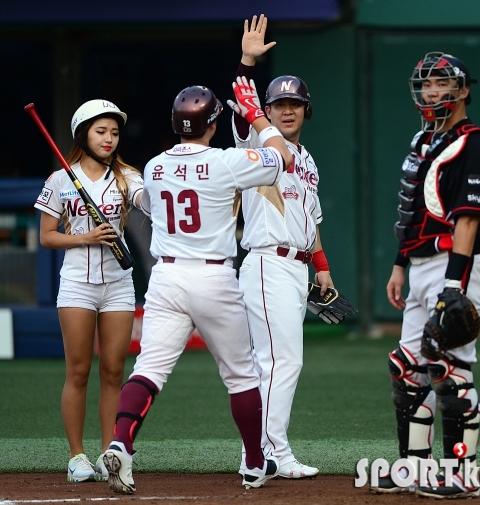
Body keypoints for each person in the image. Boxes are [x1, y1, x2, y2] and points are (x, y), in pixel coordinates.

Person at [102, 82, 294, 494]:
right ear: (211, 123)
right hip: (213, 277)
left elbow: (149, 202)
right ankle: (256, 464)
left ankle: (120, 443)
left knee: (149, 370)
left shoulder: (154, 165)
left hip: (166, 277)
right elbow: (284, 156)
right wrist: (256, 115)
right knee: (242, 375)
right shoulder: (227, 161)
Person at [370, 52, 480, 499]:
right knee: (407, 369)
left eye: (441, 83)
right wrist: (401, 264)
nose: (431, 92)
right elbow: (414, 213)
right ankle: (413, 470)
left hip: (454, 266)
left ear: (461, 90)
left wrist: (452, 286)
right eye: (426, 84)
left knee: (449, 372)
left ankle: (462, 475)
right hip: (421, 264)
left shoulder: (470, 143)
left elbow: (467, 222)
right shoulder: (424, 140)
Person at [232, 15, 337, 479]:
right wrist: (247, 62)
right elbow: (242, 108)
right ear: (268, 111)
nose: (287, 110)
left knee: (272, 362)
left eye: (295, 103)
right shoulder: (257, 143)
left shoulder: (309, 160)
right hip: (265, 262)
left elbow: (310, 221)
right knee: (280, 360)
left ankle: (256, 454)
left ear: (305, 110)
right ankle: (271, 453)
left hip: (295, 267)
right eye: (279, 104)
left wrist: (322, 267)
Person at [34, 100, 143, 483]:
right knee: (78, 371)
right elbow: (47, 237)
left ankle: (108, 454)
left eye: (114, 132)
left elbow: (149, 202)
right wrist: (86, 237)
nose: (109, 139)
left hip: (118, 284)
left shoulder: (129, 176)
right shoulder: (59, 179)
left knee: (114, 371)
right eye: (101, 131)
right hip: (77, 284)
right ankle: (77, 456)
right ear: (83, 134)